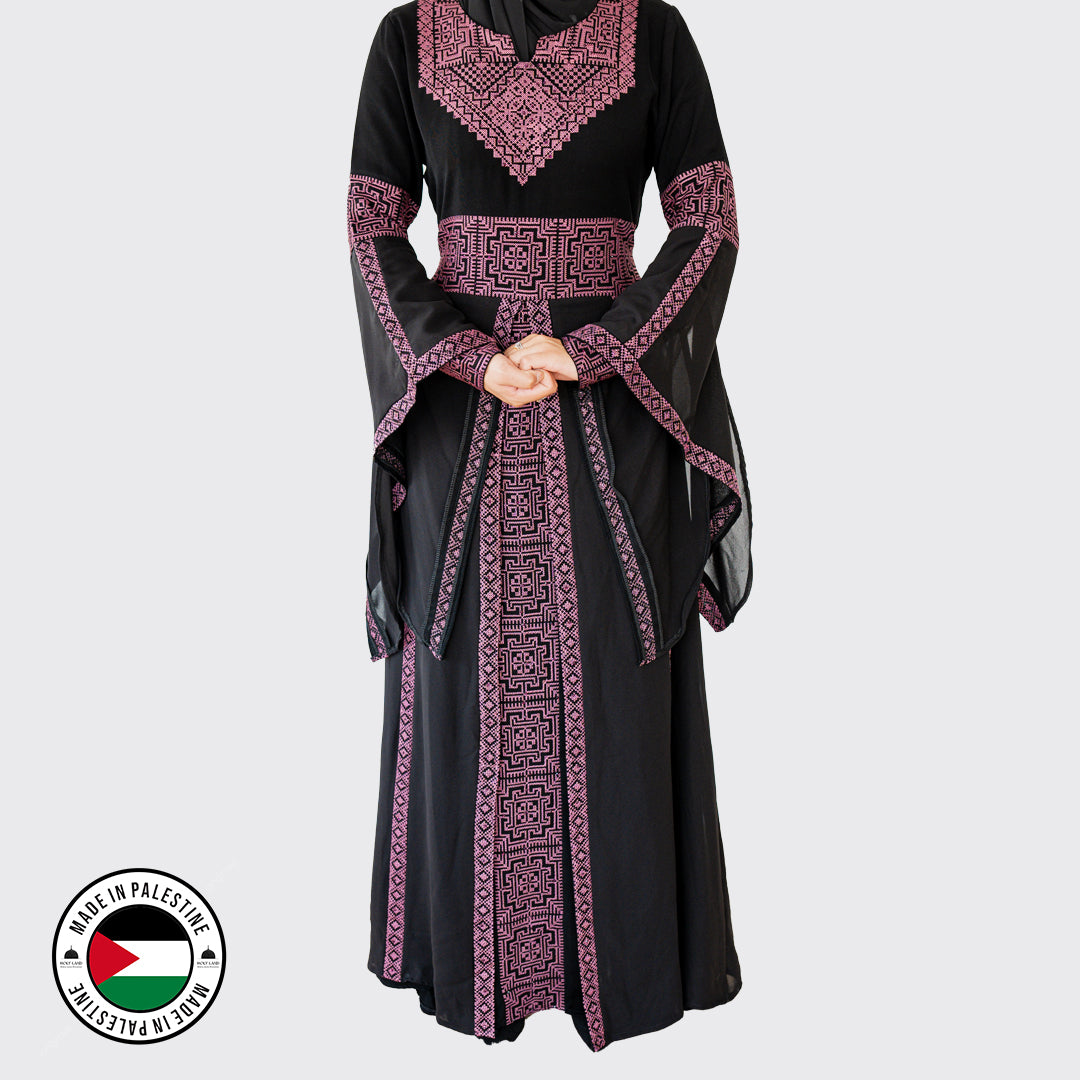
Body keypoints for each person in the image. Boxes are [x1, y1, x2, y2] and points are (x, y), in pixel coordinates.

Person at [346, 0, 754, 1051]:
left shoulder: (652, 33)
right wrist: (463, 354)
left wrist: (601, 346)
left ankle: (621, 969)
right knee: (462, 681)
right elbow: (372, 226)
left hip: (611, 411)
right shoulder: (409, 37)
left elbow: (709, 219)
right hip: (458, 417)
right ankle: (471, 965)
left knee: (616, 670)